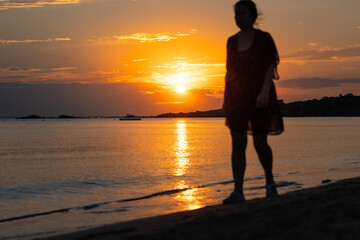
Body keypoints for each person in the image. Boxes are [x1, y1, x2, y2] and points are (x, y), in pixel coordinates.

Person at [222, 0, 284, 204]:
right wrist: (226, 99)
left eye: (241, 13)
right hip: (237, 98)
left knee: (260, 142)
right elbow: (229, 71)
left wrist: (265, 91)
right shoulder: (231, 41)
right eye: (235, 14)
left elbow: (269, 67)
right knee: (238, 143)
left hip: (260, 97)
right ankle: (238, 191)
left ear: (253, 16)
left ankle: (270, 182)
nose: (238, 17)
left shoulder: (263, 38)